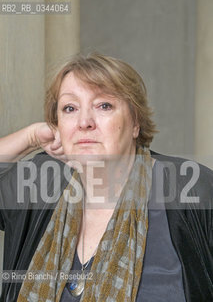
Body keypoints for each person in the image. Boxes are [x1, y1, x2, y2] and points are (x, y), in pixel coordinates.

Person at [0, 53, 212, 302]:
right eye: (70, 108)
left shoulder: (191, 189)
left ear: (135, 123)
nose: (84, 122)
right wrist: (32, 136)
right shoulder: (40, 183)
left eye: (104, 106)